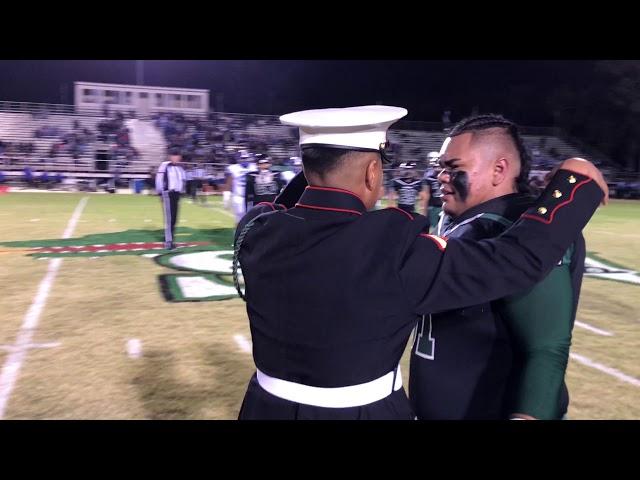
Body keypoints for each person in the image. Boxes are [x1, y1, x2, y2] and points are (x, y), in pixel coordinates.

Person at [233, 105, 607, 421]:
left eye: (451, 166)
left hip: (262, 406)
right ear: (372, 173)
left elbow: (284, 205)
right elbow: (517, 258)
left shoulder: (254, 230)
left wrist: (320, 159)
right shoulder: (391, 244)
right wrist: (573, 184)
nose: (441, 176)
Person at [410, 114, 585, 420]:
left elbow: (545, 347)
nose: (441, 177)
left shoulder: (524, 228)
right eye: (441, 168)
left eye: (454, 169)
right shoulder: (466, 221)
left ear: (499, 169)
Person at [155, 149, 186, 250]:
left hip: (177, 194)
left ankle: (169, 237)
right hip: (168, 193)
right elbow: (159, 179)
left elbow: (182, 180)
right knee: (169, 218)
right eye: (174, 156)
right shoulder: (165, 165)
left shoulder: (180, 167)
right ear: (170, 156)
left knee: (174, 218)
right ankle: (168, 242)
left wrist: (182, 191)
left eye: (177, 156)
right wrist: (160, 192)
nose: (176, 158)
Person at [225, 151, 257, 224]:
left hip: (251, 197)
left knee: (251, 218)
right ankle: (239, 234)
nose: (244, 160)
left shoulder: (254, 167)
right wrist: (226, 196)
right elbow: (229, 182)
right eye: (242, 158)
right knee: (239, 218)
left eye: (245, 158)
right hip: (238, 196)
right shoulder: (233, 168)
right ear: (238, 159)